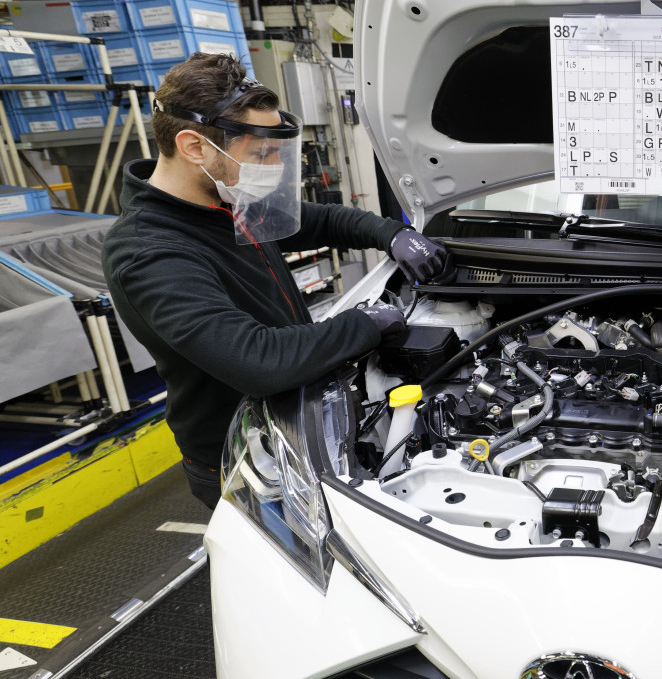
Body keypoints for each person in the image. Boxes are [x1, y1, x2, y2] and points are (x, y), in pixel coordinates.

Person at [103, 53, 452, 509]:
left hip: (300, 417)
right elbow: (259, 361)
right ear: (194, 147)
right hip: (249, 458)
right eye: (261, 153)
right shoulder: (149, 253)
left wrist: (393, 234)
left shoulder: (226, 200)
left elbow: (322, 219)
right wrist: (367, 323)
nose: (272, 166)